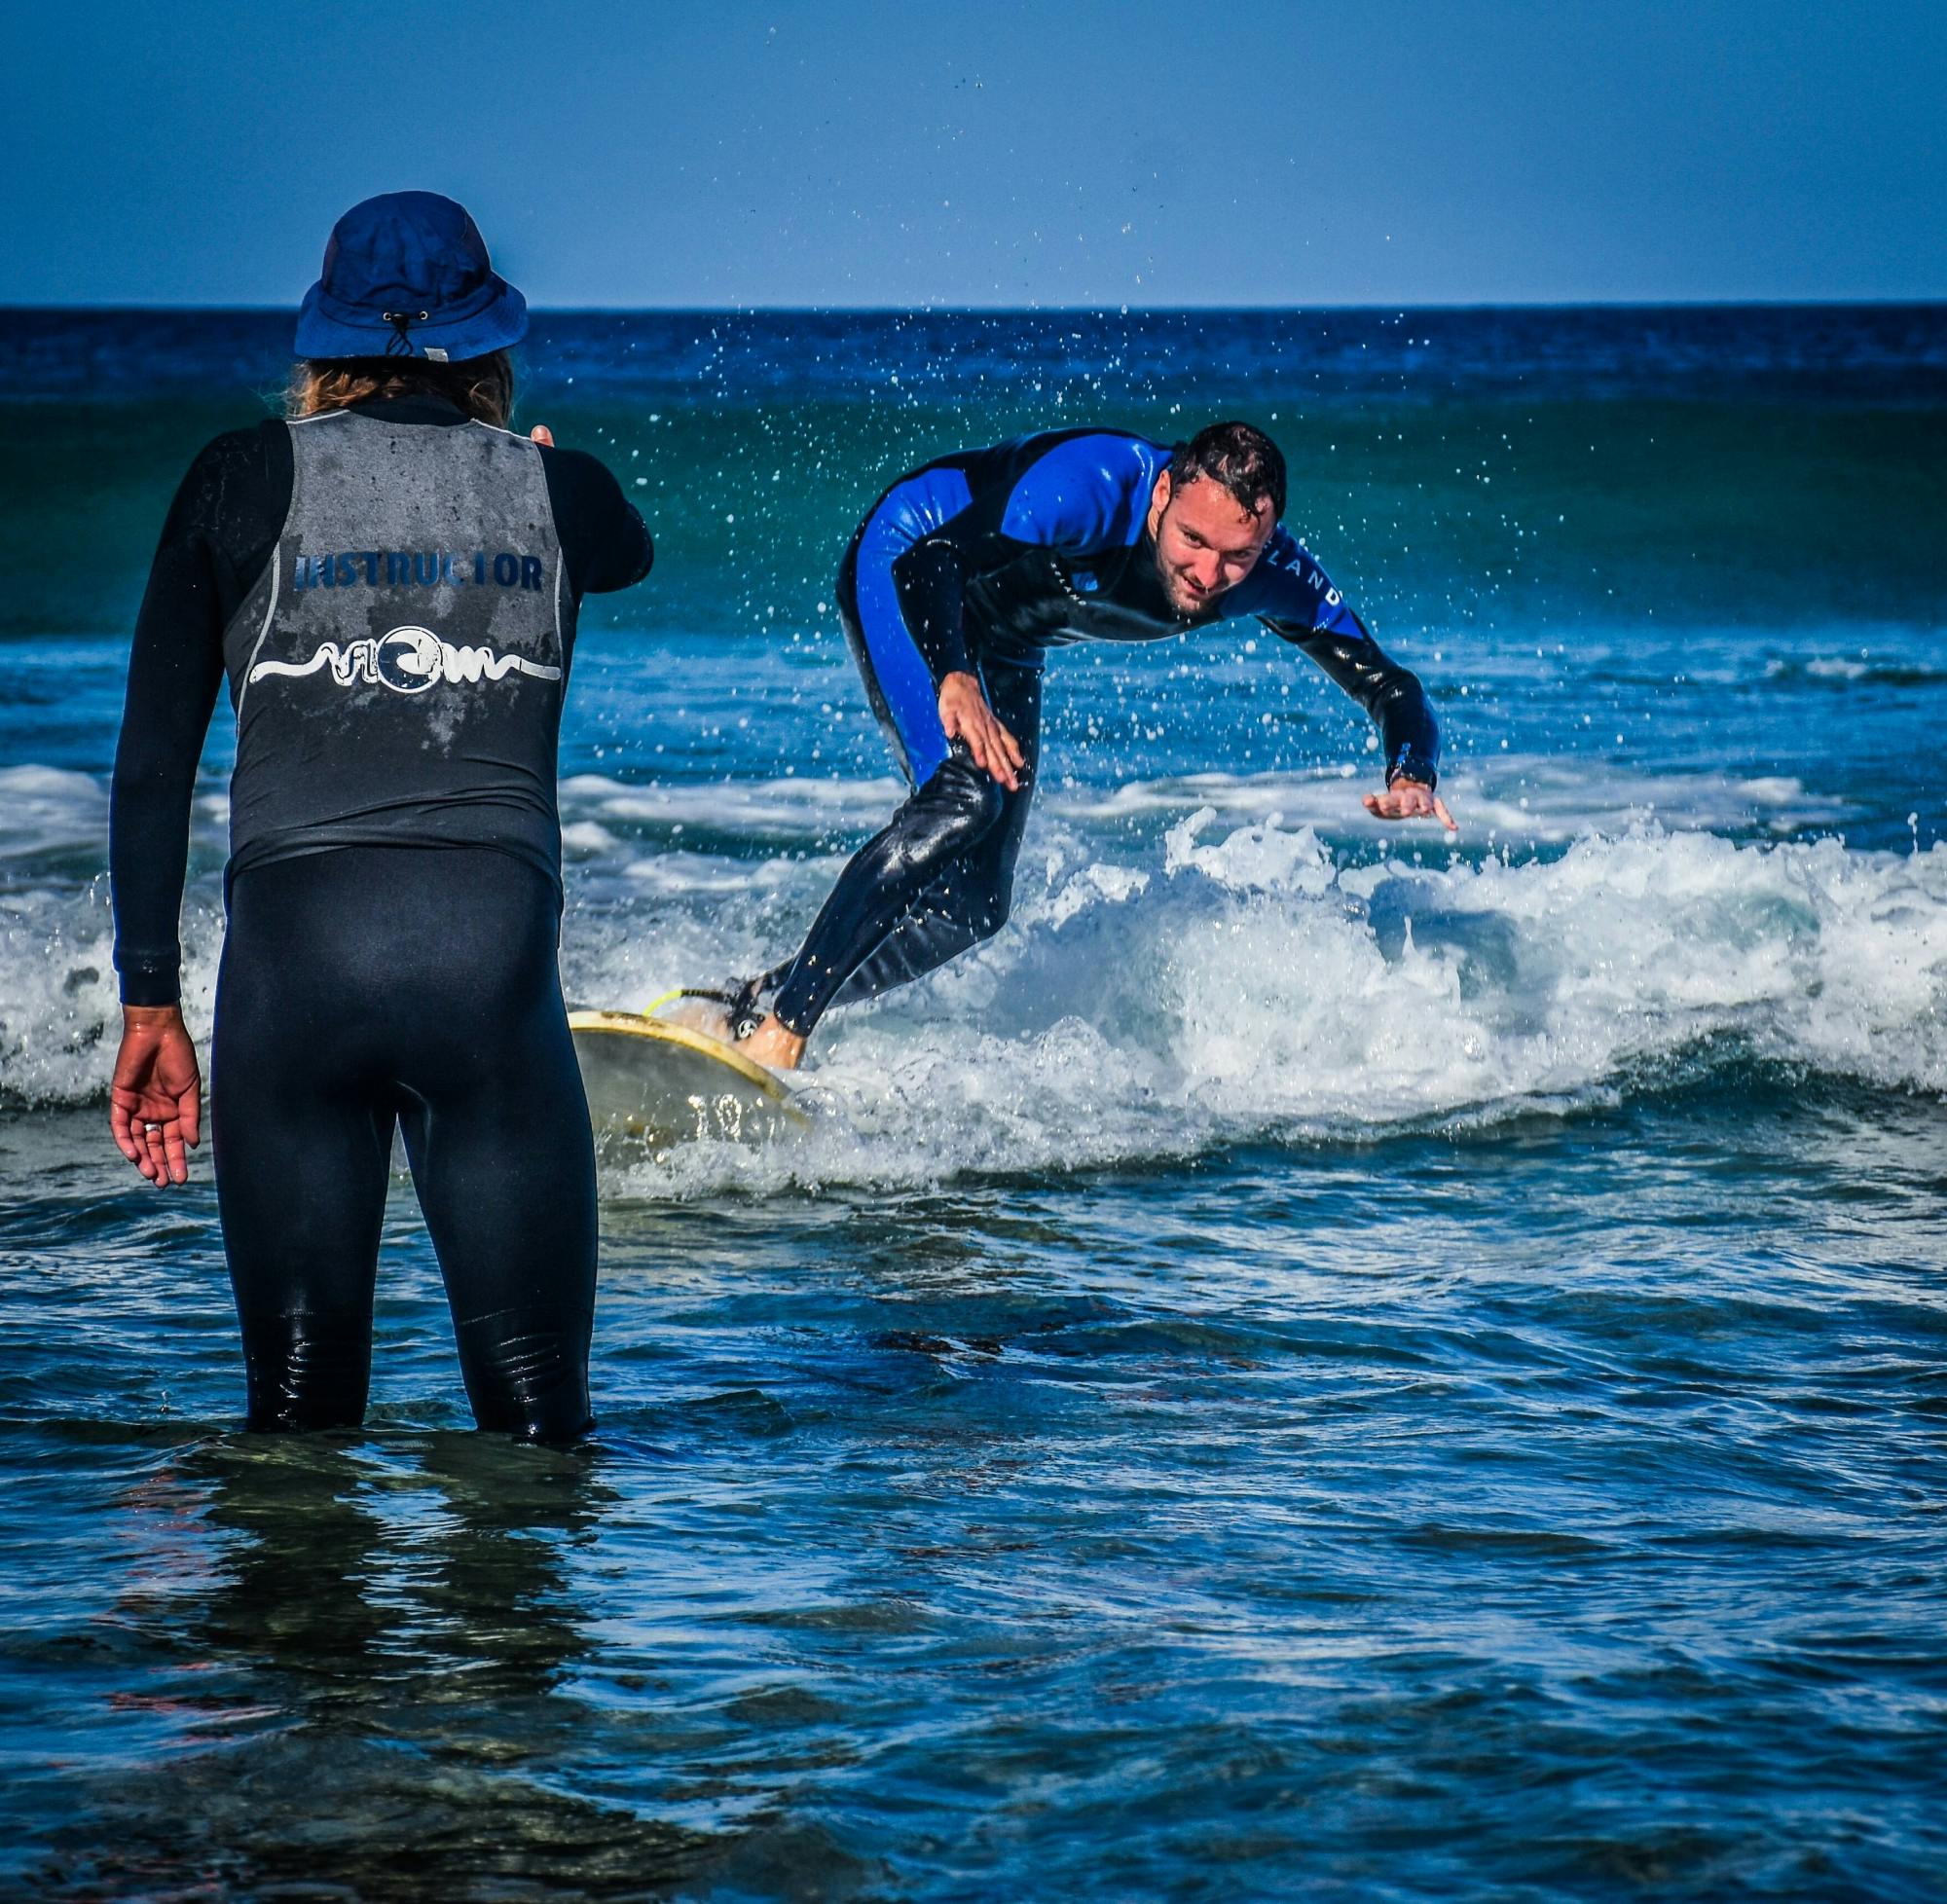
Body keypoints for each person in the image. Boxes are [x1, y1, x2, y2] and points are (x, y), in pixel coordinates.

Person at [107, 192, 653, 1441]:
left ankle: (301, 1630)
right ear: (487, 338)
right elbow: (626, 549)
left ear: (324, 342)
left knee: (298, 1423)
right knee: (536, 1425)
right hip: (489, 978)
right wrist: (540, 474)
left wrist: (150, 1003)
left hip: (294, 979)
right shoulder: (562, 490)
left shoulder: (239, 476)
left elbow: (151, 767)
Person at [728, 421, 1453, 1071]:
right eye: (1193, 541)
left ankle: (758, 998)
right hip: (907, 565)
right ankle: (785, 1032)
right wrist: (953, 674)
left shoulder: (1273, 574)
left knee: (975, 905)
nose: (1207, 576)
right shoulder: (1089, 487)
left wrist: (1411, 770)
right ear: (1165, 491)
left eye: (1236, 557)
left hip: (1009, 641)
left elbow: (1393, 687)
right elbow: (933, 559)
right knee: (962, 799)